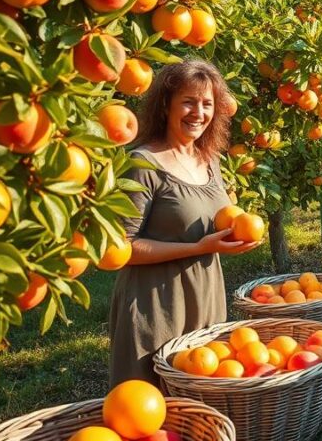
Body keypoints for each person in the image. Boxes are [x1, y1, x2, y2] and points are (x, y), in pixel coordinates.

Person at [109, 59, 259, 386]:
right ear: (166, 105)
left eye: (207, 104)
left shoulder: (211, 161)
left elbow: (216, 219)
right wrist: (196, 247)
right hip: (155, 303)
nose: (198, 112)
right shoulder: (142, 164)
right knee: (149, 403)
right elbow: (122, 247)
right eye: (188, 102)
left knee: (199, 395)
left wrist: (237, 235)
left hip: (205, 294)